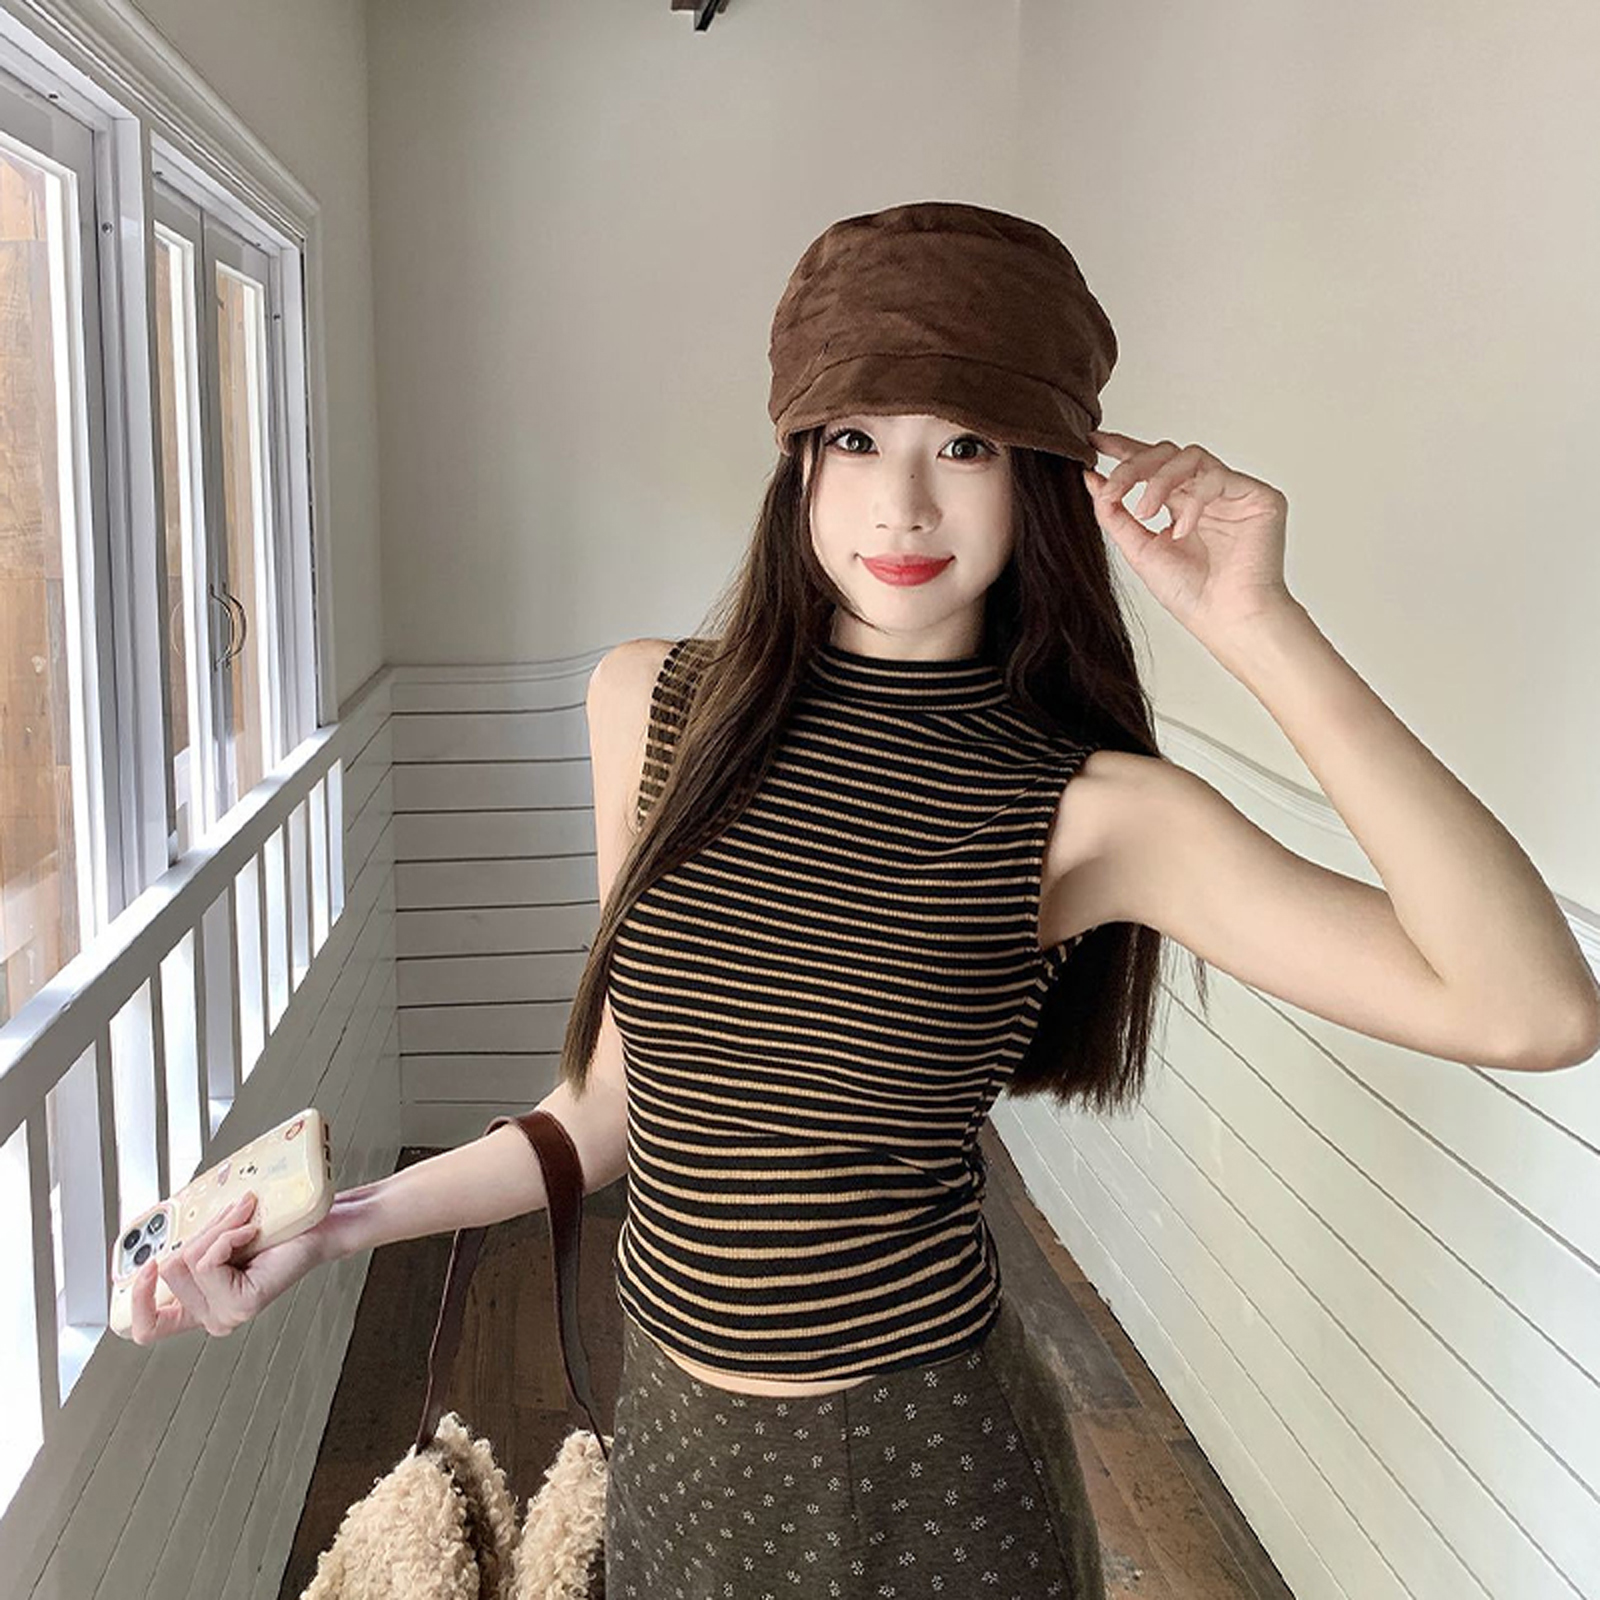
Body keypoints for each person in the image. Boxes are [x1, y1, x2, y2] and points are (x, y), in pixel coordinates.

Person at [128, 201, 1600, 1600]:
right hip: (677, 1449)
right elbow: (611, 1108)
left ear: (1041, 476)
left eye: (966, 444)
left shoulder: (1090, 809)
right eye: (855, 438)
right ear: (798, 461)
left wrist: (1256, 624)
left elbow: (1527, 1010)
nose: (902, 501)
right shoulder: (653, 705)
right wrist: (338, 1227)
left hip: (924, 1473)